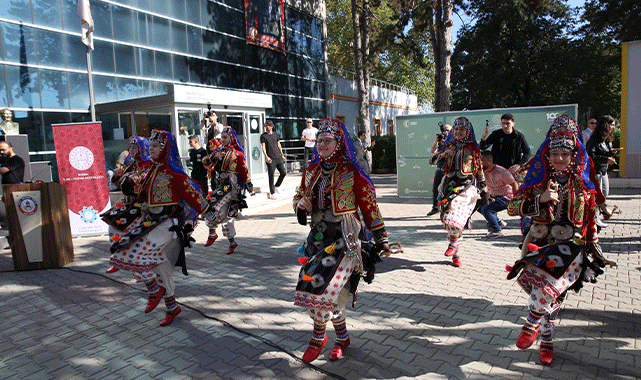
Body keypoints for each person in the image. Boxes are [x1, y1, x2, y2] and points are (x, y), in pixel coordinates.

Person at [506, 114, 616, 365]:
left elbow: (590, 216)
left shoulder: (582, 183)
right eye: (554, 154)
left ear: (574, 155)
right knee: (548, 298)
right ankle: (547, 342)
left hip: (571, 248)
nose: (558, 159)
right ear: (547, 154)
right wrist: (540, 200)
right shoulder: (537, 179)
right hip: (538, 245)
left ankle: (531, 324)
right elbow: (512, 208)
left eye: (564, 154)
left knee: (546, 291)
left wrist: (594, 249)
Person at [293, 118, 392, 363]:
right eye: (319, 141)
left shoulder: (352, 172)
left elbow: (370, 207)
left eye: (327, 141)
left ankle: (318, 337)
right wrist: (300, 206)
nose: (322, 145)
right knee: (327, 291)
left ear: (339, 143)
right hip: (316, 239)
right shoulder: (311, 171)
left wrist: (381, 238)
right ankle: (342, 337)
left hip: (344, 240)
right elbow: (298, 198)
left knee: (321, 289)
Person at [107, 130, 211, 326]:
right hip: (151, 220)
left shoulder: (173, 172)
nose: (151, 149)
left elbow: (192, 193)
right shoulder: (153, 170)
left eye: (155, 146)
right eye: (151, 145)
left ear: (164, 148)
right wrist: (129, 183)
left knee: (133, 251)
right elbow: (141, 193)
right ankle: (172, 307)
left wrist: (208, 212)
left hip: (166, 224)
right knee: (162, 268)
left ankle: (154, 289)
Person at [430, 117, 487, 267]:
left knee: (454, 215)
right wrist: (442, 155)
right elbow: (432, 161)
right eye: (456, 129)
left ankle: (453, 245)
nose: (458, 132)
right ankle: (456, 253)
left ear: (468, 132)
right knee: (450, 220)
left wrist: (485, 189)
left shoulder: (473, 149)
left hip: (466, 187)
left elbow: (479, 170)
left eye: (462, 130)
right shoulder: (449, 145)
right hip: (448, 186)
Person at [101, 137, 155, 274]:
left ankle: (136, 268)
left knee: (137, 237)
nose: (131, 150)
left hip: (143, 206)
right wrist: (118, 176)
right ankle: (118, 258)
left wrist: (134, 180)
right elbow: (120, 184)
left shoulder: (149, 165)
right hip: (130, 203)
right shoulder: (132, 164)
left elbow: (147, 185)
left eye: (134, 147)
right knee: (114, 226)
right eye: (130, 147)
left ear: (142, 149)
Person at [203, 127, 253, 254]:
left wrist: (249, 185)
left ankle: (214, 234)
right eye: (222, 138)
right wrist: (213, 158)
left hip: (232, 186)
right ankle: (229, 241)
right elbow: (204, 161)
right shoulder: (218, 151)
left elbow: (243, 170)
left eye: (225, 137)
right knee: (222, 214)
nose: (223, 140)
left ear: (232, 138)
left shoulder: (238, 154)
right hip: (221, 184)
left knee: (216, 207)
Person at [585, 115, 619, 228]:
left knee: (604, 193)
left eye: (614, 125)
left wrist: (610, 152)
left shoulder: (607, 139)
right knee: (596, 196)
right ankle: (594, 218)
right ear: (605, 125)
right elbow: (590, 156)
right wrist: (606, 159)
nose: (613, 127)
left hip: (603, 170)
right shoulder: (594, 139)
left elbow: (603, 152)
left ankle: (600, 214)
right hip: (595, 171)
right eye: (612, 124)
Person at [480, 150, 518, 238]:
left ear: (489, 161)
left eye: (481, 161)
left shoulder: (501, 171)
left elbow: (514, 184)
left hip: (506, 197)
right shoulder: (483, 171)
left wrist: (516, 200)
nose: (479, 163)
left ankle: (497, 231)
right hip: (495, 196)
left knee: (486, 209)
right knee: (479, 205)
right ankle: (498, 222)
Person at [427, 123, 452, 216]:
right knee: (436, 189)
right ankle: (435, 208)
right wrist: (437, 141)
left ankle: (446, 210)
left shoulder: (453, 141)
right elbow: (432, 151)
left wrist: (445, 143)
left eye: (447, 130)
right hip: (440, 170)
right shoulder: (441, 140)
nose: (445, 132)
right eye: (444, 130)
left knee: (448, 191)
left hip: (449, 171)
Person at [0, 141, 25, 229]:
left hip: (16, 188)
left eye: (3, 150)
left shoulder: (16, 159)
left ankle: (18, 228)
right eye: (0, 150)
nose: (1, 152)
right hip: (6, 188)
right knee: (10, 210)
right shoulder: (5, 159)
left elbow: (3, 170)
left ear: (11, 148)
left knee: (16, 210)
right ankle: (13, 228)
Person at [260, 120, 286, 199]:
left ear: (272, 126)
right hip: (270, 158)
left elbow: (279, 144)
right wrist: (266, 156)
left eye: (268, 125)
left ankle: (277, 186)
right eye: (266, 125)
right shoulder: (263, 136)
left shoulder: (275, 134)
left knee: (283, 172)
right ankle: (272, 192)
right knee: (271, 176)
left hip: (278, 156)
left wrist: (282, 155)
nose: (267, 126)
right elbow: (263, 147)